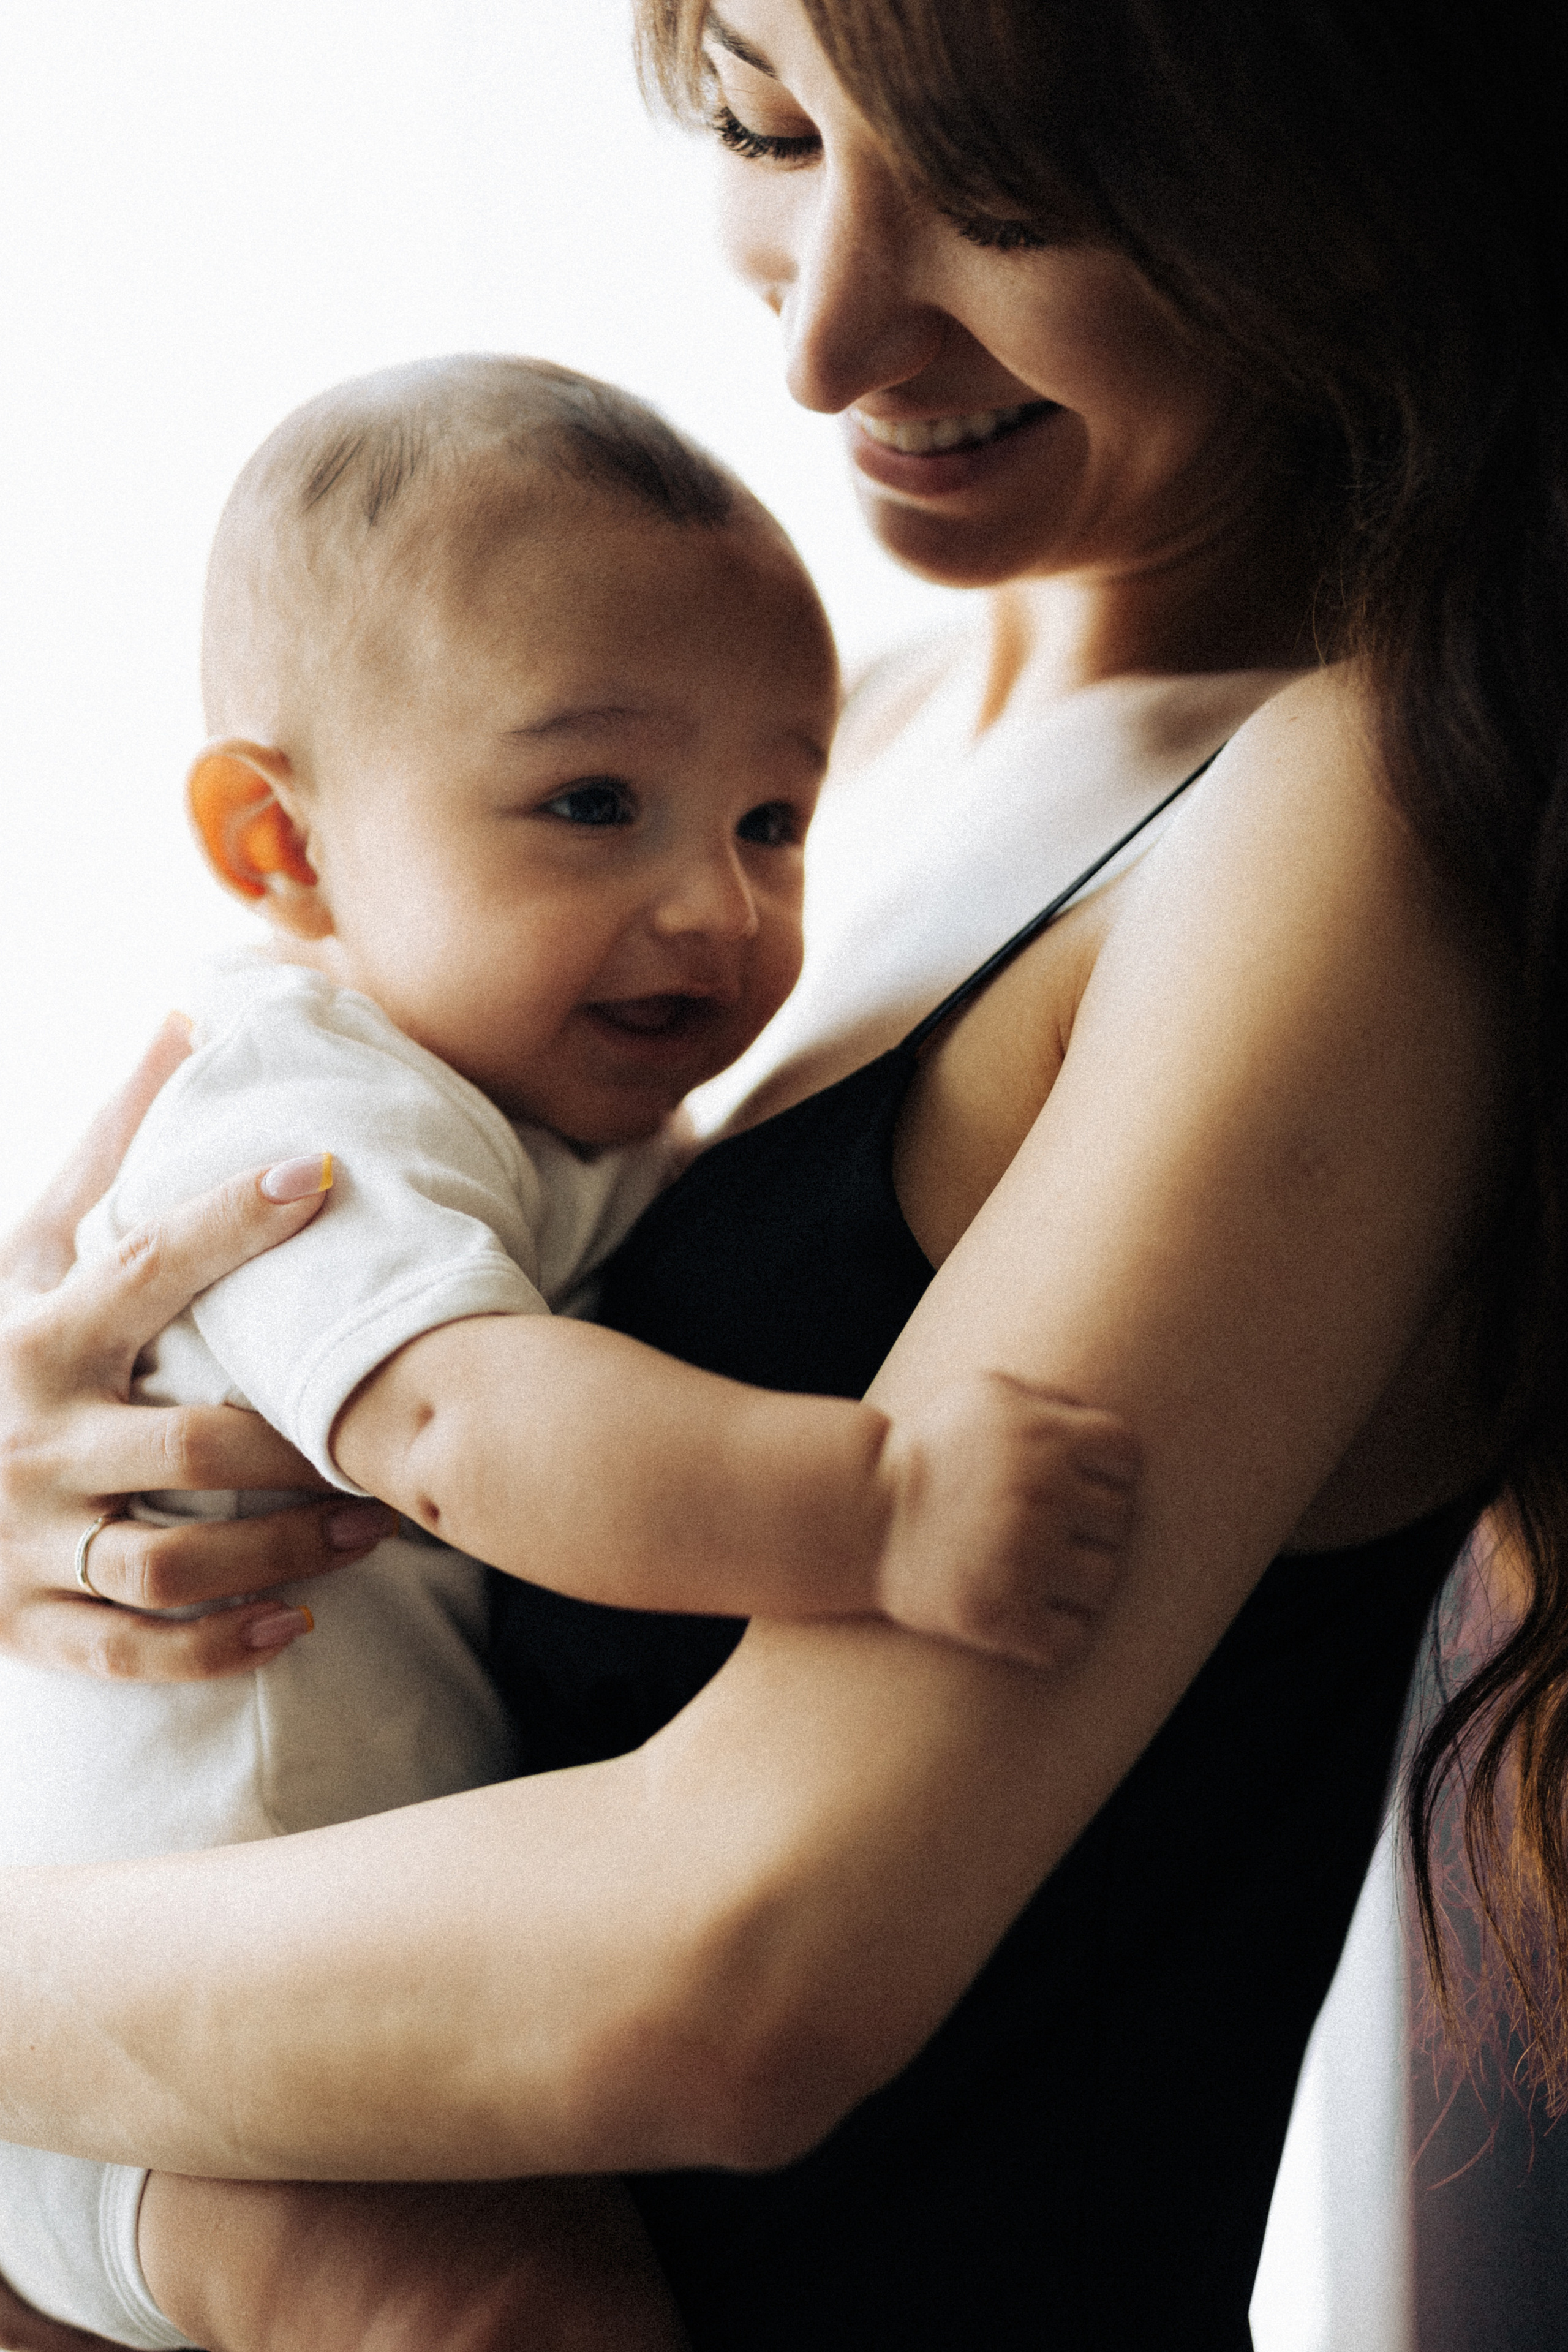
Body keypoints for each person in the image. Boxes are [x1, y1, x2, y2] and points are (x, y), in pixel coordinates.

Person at [0, 0, 1561, 2343]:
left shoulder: (1336, 828)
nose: (827, 339)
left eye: (1005, 195)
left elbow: (726, 1978)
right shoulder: (852, 738)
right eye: (760, 121)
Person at [0, 351, 1136, 2352]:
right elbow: (463, 1424)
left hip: (266, 2009)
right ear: (282, 847)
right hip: (181, 2057)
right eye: (593, 804)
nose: (715, 904)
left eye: (774, 820)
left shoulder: (549, 1128)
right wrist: (874, 1512)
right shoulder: (307, 1114)